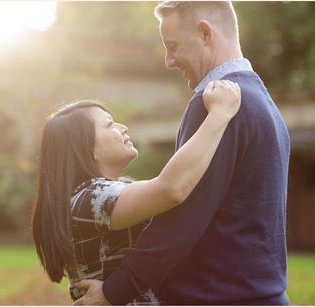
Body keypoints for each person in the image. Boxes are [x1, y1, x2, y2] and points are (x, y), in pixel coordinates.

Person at [75, 1, 291, 305]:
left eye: (172, 46)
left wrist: (114, 291)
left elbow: (180, 218)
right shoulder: (263, 102)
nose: (169, 61)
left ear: (205, 32)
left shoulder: (214, 103)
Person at [32, 80, 241, 304]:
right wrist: (219, 114)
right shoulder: (90, 198)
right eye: (110, 125)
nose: (123, 127)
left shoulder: (103, 192)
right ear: (87, 148)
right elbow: (171, 189)